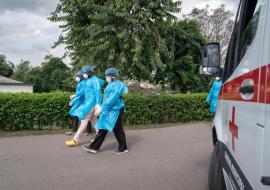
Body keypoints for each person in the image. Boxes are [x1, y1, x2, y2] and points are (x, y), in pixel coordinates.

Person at [83, 68, 128, 154]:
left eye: (107, 75)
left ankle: (123, 148)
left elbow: (112, 99)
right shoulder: (111, 84)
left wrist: (102, 107)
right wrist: (100, 105)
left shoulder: (118, 85)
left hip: (116, 110)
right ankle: (94, 147)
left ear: (113, 76)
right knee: (103, 127)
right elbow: (107, 98)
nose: (106, 77)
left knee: (117, 129)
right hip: (110, 110)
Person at [65, 66, 104, 146]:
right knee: (94, 121)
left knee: (84, 120)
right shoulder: (88, 80)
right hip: (88, 103)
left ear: (90, 72)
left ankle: (75, 140)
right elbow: (83, 91)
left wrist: (98, 104)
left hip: (91, 103)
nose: (84, 74)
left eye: (85, 73)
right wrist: (75, 96)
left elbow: (98, 92)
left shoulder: (95, 80)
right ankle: (99, 137)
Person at [66, 71, 92, 136]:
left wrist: (73, 99)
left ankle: (88, 131)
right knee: (75, 115)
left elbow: (81, 94)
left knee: (85, 116)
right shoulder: (80, 83)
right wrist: (75, 98)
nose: (76, 78)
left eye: (77, 76)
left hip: (83, 102)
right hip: (79, 102)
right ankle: (74, 130)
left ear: (81, 76)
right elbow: (79, 94)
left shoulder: (84, 83)